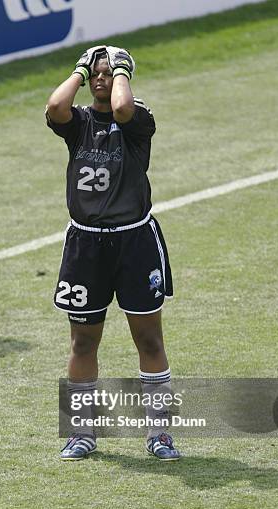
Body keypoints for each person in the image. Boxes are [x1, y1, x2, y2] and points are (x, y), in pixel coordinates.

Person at [46, 45, 181, 461]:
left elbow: (122, 107)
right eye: (97, 74)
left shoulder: (139, 118)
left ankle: (159, 433)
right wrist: (80, 70)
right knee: (83, 343)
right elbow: (55, 105)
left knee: (149, 338)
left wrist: (121, 69)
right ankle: (81, 432)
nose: (102, 79)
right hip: (86, 245)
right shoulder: (80, 122)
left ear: (123, 75)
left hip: (134, 242)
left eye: (109, 73)